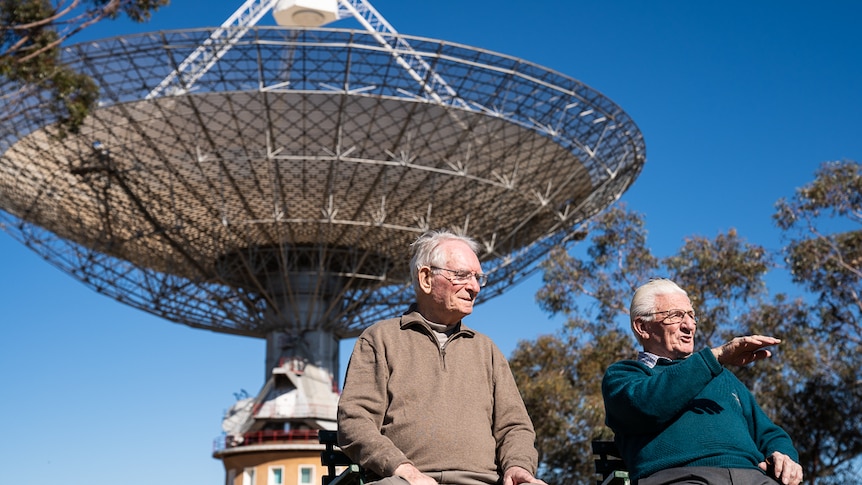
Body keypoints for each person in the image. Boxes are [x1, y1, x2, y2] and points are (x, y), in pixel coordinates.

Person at [337, 230, 546, 485]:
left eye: (479, 278)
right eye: (462, 276)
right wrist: (403, 469)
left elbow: (514, 426)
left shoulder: (486, 350)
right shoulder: (380, 340)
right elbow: (356, 421)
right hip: (404, 480)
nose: (475, 287)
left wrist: (517, 466)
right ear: (426, 278)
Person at [602, 278, 804, 485]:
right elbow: (648, 406)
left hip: (754, 479)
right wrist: (714, 358)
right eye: (676, 316)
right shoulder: (624, 375)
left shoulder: (721, 376)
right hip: (681, 478)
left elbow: (768, 432)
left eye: (691, 316)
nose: (689, 325)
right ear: (642, 327)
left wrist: (784, 455)